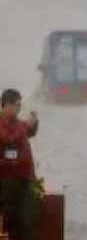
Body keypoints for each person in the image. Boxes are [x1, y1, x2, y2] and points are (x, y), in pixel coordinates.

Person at [0, 89, 39, 240]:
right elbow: (9, 140)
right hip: (8, 182)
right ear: (7, 105)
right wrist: (25, 127)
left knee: (27, 222)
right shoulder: (2, 124)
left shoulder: (17, 123)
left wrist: (33, 123)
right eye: (17, 105)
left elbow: (29, 132)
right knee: (12, 222)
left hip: (25, 179)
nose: (19, 108)